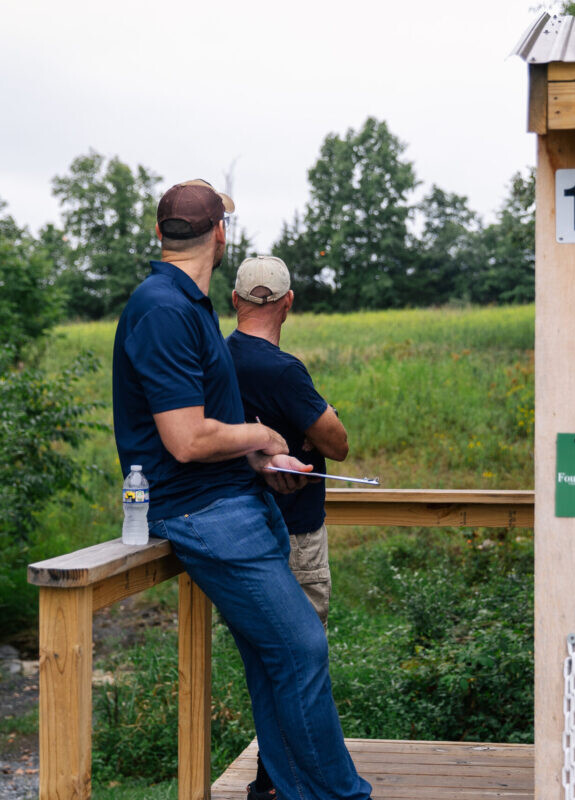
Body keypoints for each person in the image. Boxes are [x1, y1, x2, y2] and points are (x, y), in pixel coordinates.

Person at [112, 179, 372, 800]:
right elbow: (184, 439)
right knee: (303, 646)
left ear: (160, 234)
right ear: (220, 235)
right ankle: (341, 795)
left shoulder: (186, 302)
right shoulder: (165, 309)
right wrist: (260, 432)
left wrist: (257, 461)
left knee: (273, 657)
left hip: (229, 500)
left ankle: (283, 788)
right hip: (207, 515)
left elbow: (199, 433)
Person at [227, 255, 349, 798]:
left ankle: (274, 778)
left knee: (269, 660)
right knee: (301, 664)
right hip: (295, 533)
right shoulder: (283, 370)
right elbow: (337, 444)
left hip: (241, 533)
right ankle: (279, 783)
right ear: (288, 303)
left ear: (234, 301)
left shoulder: (216, 360)